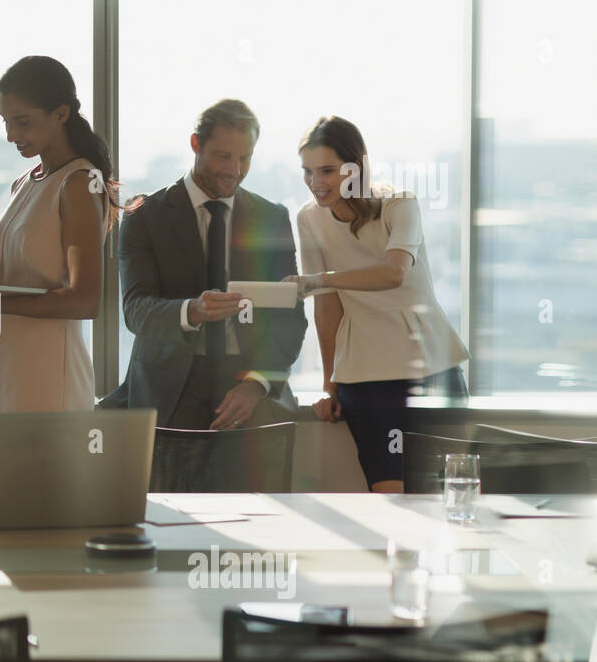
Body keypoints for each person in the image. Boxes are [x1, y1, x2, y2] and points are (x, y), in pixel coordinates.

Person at [0, 55, 118, 491]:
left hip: (43, 370)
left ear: (61, 114)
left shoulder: (80, 183)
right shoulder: (27, 180)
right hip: (0, 360)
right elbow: (15, 277)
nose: (10, 135)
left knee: (31, 503)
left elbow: (84, 299)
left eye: (22, 122)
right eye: (5, 122)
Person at [287, 115, 469, 492]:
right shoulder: (308, 218)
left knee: (443, 496)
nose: (316, 183)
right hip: (365, 373)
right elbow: (327, 306)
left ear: (356, 167)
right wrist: (328, 385)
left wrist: (319, 280)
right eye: (307, 171)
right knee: (390, 499)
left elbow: (393, 273)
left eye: (327, 171)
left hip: (430, 366)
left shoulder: (399, 204)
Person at [103, 99, 307, 430]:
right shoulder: (144, 216)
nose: (234, 170)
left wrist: (255, 385)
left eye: (245, 158)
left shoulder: (271, 218)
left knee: (255, 480)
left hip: (249, 386)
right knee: (167, 483)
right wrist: (192, 310)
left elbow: (290, 317)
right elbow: (135, 310)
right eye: (223, 156)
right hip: (168, 389)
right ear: (195, 144)